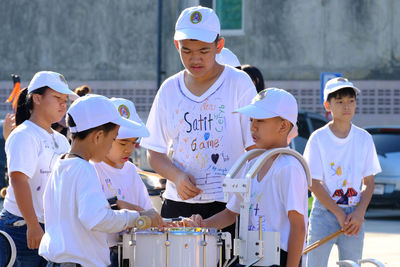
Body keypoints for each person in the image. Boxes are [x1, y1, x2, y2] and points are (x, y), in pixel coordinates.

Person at [140, 6, 257, 235]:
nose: (195, 58)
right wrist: (177, 176)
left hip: (228, 204)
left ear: (219, 46)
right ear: (176, 46)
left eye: (204, 50)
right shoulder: (169, 89)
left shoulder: (239, 83)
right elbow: (154, 152)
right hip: (178, 204)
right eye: (186, 51)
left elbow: (254, 148)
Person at [39, 94, 163, 267]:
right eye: (113, 139)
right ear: (98, 137)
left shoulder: (61, 164)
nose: (110, 145)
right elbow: (97, 218)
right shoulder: (84, 169)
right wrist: (138, 217)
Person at [189, 88, 308, 267]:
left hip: (280, 259)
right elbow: (231, 213)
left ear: (283, 126)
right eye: (251, 120)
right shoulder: (252, 163)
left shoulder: (289, 167)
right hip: (252, 256)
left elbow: (298, 227)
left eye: (260, 120)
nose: (252, 127)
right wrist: (202, 226)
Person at [0, 71, 78, 266]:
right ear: (37, 98)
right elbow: (18, 180)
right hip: (21, 228)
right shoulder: (24, 135)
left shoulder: (62, 140)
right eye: (58, 98)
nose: (63, 104)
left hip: (50, 228)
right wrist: (33, 225)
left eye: (65, 100)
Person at [304, 77, 381, 266]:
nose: (347, 106)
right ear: (327, 105)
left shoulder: (364, 138)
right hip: (324, 213)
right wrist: (338, 213)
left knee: (351, 264)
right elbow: (313, 182)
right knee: (315, 264)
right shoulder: (318, 138)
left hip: (354, 216)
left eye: (351, 101)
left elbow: (369, 182)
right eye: (339, 101)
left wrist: (359, 213)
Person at [92, 98, 153, 267]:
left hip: (132, 251)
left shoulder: (131, 170)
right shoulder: (91, 168)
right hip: (100, 254)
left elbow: (147, 209)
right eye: (122, 142)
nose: (129, 149)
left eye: (134, 142)